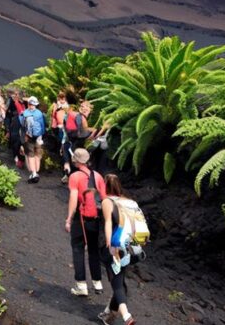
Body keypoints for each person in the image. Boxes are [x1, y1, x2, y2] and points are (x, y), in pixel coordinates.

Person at [64, 148, 106, 297]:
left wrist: (69, 218)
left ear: (75, 161)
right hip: (95, 219)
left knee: (78, 249)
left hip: (81, 218)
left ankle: (81, 285)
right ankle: (97, 282)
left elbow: (73, 198)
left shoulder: (75, 176)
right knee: (94, 249)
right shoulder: (98, 176)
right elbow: (104, 198)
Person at [98, 174, 137, 325]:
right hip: (129, 245)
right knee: (120, 279)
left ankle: (126, 316)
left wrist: (109, 243)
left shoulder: (108, 201)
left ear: (106, 186)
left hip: (115, 245)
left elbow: (108, 222)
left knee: (117, 282)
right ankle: (108, 314)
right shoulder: (129, 201)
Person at [62, 101, 94, 183]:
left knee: (69, 156)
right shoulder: (81, 117)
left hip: (70, 141)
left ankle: (68, 174)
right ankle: (74, 177)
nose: (85, 109)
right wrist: (96, 131)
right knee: (77, 160)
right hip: (76, 142)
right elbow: (84, 130)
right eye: (83, 107)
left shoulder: (73, 115)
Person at [20, 96, 46, 183]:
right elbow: (43, 125)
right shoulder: (39, 113)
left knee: (30, 155)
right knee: (37, 154)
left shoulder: (24, 113)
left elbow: (22, 126)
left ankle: (34, 173)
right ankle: (36, 171)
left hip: (29, 137)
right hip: (38, 137)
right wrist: (41, 136)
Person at [5, 88, 26, 168]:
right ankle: (16, 157)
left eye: (17, 94)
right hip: (13, 123)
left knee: (21, 142)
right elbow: (7, 115)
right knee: (15, 141)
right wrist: (7, 128)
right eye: (15, 94)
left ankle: (20, 158)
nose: (15, 96)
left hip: (20, 123)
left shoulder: (24, 102)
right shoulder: (10, 101)